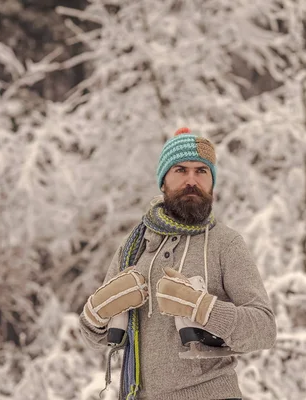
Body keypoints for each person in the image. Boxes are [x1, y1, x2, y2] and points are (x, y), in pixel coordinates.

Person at [78, 127, 277, 400]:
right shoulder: (133, 247)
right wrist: (95, 313)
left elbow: (264, 330)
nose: (191, 180)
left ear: (212, 183)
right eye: (181, 170)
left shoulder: (226, 244)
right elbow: (96, 337)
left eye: (201, 171)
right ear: (163, 181)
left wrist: (204, 309)